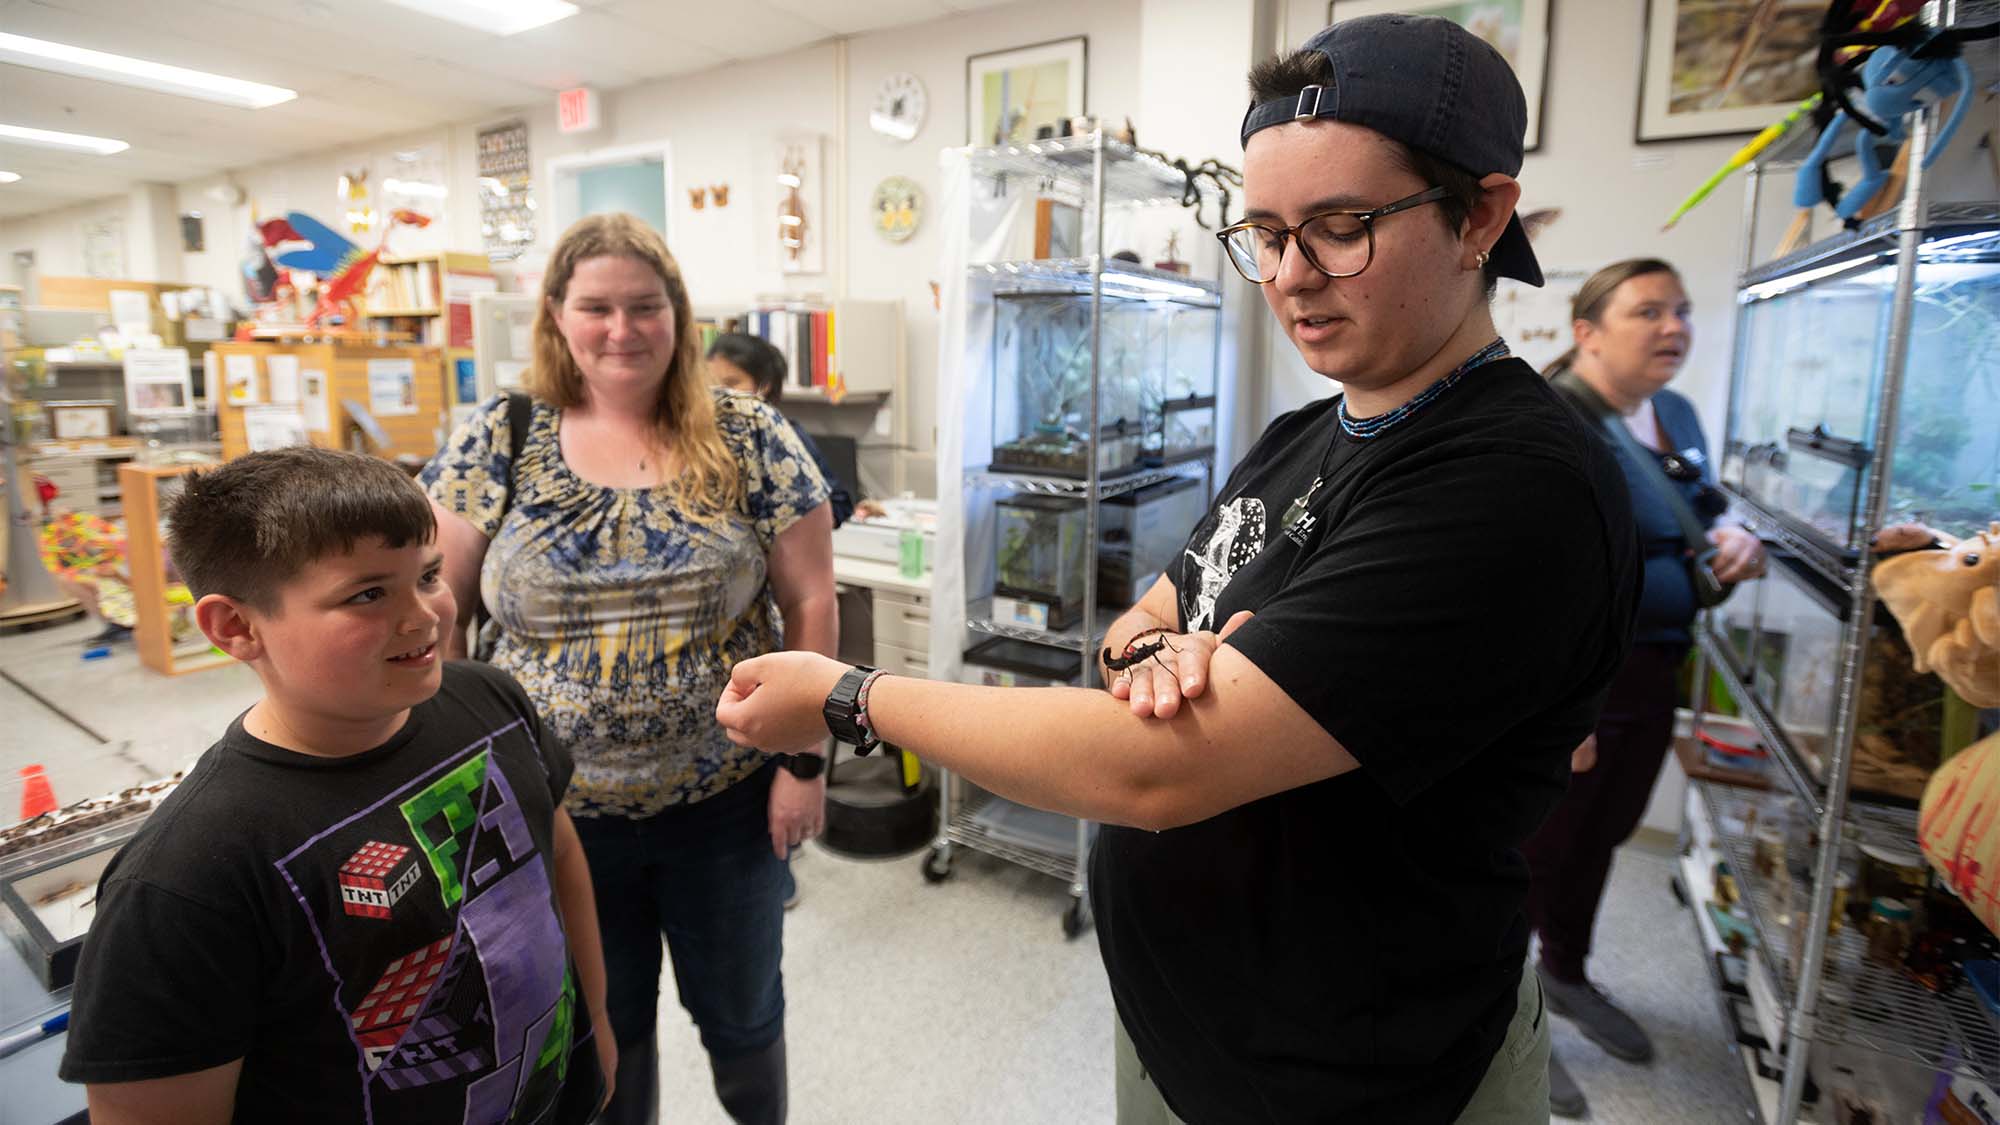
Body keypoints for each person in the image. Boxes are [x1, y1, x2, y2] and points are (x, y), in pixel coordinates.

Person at [716, 15, 1639, 1124]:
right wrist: (1165, 654)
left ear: (1478, 216)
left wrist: (849, 694)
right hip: (1185, 1025)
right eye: (1264, 232)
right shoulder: (1303, 433)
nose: (1290, 276)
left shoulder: (1510, 483)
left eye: (1340, 228)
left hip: (1358, 1073)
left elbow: (1152, 773)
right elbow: (1135, 627)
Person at [423, 213, 834, 1125]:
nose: (622, 329)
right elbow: (441, 615)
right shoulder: (502, 436)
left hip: (726, 804)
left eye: (645, 306)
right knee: (603, 1028)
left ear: (678, 314)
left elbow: (810, 603)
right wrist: (461, 788)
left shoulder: (748, 433)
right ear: (558, 317)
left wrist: (804, 764)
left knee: (743, 1018)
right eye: (597, 307)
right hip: (554, 817)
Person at [60, 446, 612, 1124]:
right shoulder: (187, 881)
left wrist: (600, 1031)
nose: (426, 616)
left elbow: (558, 859)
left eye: (430, 574)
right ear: (235, 627)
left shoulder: (489, 701)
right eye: (369, 593)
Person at [1528, 258, 1766, 1117]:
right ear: (1587, 330)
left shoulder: (1673, 413)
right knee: (1538, 844)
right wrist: (1556, 699)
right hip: (1583, 674)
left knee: (1601, 835)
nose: (1674, 328)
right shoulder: (1557, 418)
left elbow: (1708, 503)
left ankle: (1566, 974)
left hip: (1658, 661)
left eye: (1683, 311)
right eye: (1647, 311)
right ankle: (1501, 1022)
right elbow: (1529, 567)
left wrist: (1735, 535)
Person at [708, 331, 880, 528]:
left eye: (732, 383)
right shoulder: (698, 437)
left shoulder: (783, 437)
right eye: (710, 383)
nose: (717, 392)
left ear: (764, 385)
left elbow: (837, 503)